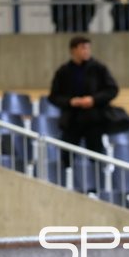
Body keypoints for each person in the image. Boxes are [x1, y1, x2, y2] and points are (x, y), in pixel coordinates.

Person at [48, 36, 119, 169]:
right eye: (83, 48)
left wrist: (93, 99)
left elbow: (112, 90)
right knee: (66, 156)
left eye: (88, 48)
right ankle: (66, 179)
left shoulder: (98, 68)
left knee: (96, 157)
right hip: (71, 120)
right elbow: (53, 96)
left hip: (94, 120)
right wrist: (70, 101)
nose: (86, 51)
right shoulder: (64, 71)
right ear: (73, 50)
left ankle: (98, 180)